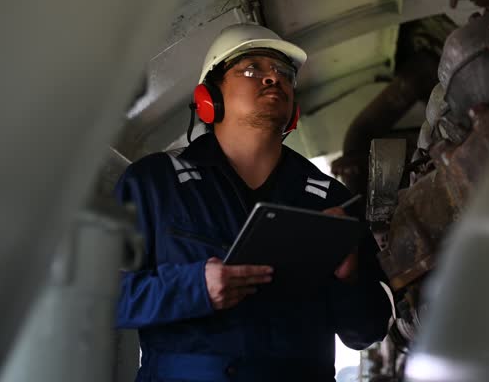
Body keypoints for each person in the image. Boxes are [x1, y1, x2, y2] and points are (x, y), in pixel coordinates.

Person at [115, 23, 392, 382]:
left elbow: (368, 332)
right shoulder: (154, 184)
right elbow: (102, 297)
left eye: (283, 73)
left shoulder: (330, 201)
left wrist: (348, 278)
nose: (272, 79)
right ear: (208, 97)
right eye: (251, 69)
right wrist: (195, 288)